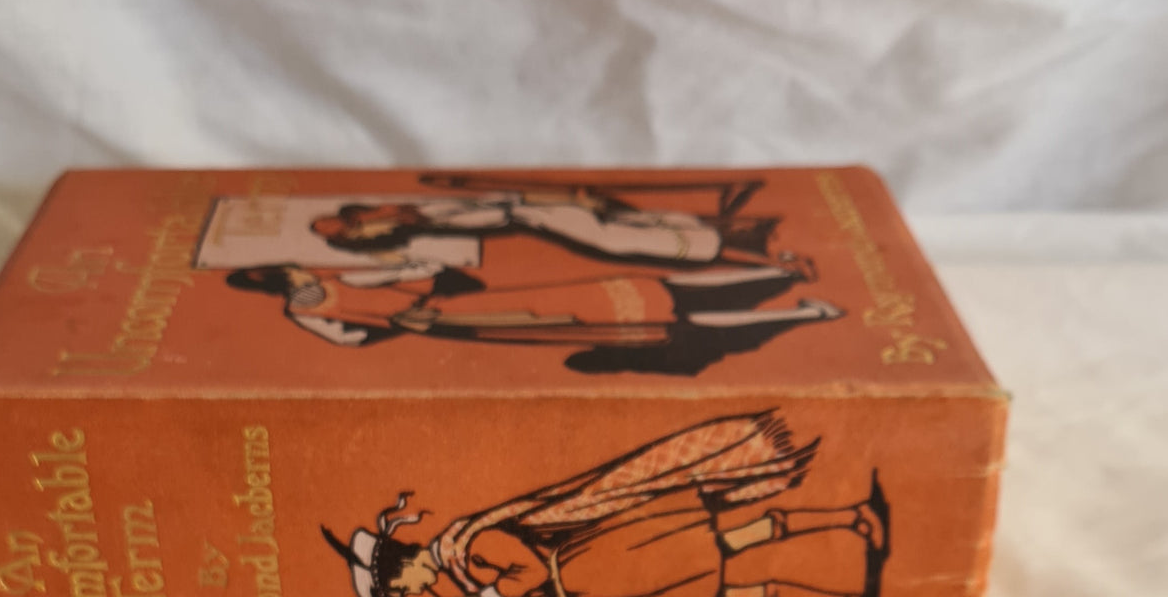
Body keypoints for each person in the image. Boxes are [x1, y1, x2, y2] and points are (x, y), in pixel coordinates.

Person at [322, 411, 890, 597]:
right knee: (720, 593)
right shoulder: (456, 563)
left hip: (610, 556)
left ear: (404, 564)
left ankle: (851, 518)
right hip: (599, 584)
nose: (408, 596)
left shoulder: (468, 546)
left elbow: (530, 571)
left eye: (399, 588)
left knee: (733, 543)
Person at [225, 261, 841, 355]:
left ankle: (795, 298)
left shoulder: (311, 299)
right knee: (658, 302)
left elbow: (356, 332)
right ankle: (792, 295)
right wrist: (405, 311)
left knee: (650, 299)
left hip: (456, 316)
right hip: (453, 314)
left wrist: (403, 317)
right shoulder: (315, 296)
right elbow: (396, 281)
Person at [309, 189, 813, 277]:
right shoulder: (410, 225)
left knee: (623, 236)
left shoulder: (408, 213)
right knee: (628, 235)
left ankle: (769, 251)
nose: (357, 228)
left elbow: (496, 208)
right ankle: (769, 254)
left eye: (348, 223)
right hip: (534, 217)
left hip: (533, 212)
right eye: (350, 234)